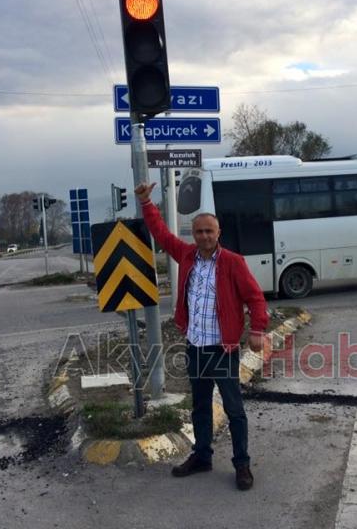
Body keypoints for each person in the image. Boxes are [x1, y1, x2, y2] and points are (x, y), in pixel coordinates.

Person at [134, 182, 268, 491]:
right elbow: (162, 235)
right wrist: (146, 202)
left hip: (223, 350)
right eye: (199, 232)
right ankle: (203, 456)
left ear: (218, 233)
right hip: (195, 347)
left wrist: (258, 329)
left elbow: (255, 298)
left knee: (234, 410)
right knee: (200, 406)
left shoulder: (233, 262)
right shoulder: (187, 255)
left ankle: (242, 464)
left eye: (209, 231)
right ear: (193, 235)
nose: (204, 236)